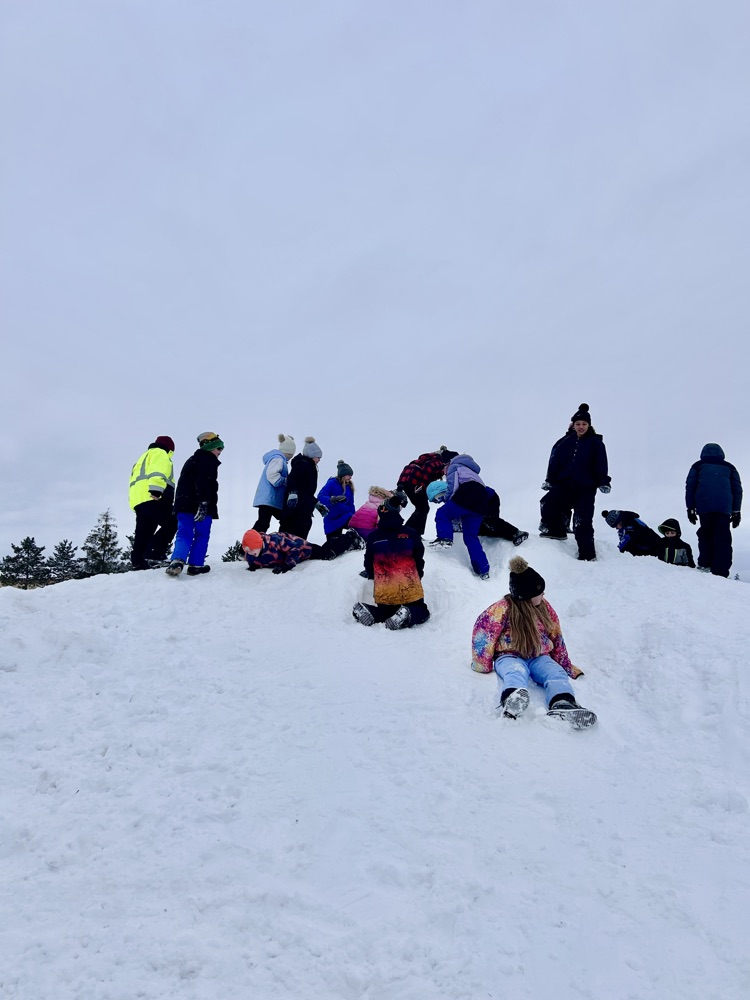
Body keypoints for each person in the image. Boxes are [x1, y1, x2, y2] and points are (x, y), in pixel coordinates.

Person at [470, 556, 596, 728]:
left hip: (539, 655)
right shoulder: (502, 608)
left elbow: (556, 636)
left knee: (555, 673)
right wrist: (481, 664)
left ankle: (562, 702)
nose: (543, 594)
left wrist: (565, 665)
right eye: (540, 592)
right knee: (515, 672)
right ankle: (512, 700)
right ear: (527, 595)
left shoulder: (545, 607)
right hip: (509, 655)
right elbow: (483, 632)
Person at [539, 402, 611, 561]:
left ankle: (587, 555)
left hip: (585, 487)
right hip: (565, 484)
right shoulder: (565, 442)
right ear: (573, 425)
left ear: (589, 425)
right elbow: (554, 462)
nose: (581, 426)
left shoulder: (595, 443)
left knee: (582, 521)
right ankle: (556, 530)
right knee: (548, 502)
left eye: (584, 424)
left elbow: (601, 463)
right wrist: (550, 480)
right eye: (578, 423)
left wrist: (603, 481)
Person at [352, 494, 430, 630]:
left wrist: (373, 576)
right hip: (409, 586)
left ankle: (373, 612)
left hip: (385, 589)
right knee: (422, 610)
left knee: (386, 611)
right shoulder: (411, 534)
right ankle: (408, 613)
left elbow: (368, 562)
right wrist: (418, 575)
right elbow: (419, 558)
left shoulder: (373, 537)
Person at [166, 432, 224, 577]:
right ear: (210, 447)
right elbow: (203, 482)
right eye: (219, 448)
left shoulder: (192, 460)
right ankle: (196, 564)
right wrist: (204, 503)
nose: (220, 452)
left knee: (184, 532)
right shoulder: (208, 461)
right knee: (202, 534)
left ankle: (178, 561)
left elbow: (184, 484)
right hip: (201, 505)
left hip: (184, 503)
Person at [429, 454, 491, 579]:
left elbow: (452, 486)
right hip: (480, 501)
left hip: (468, 492)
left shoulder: (454, 467)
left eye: (443, 469)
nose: (443, 472)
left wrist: (446, 500)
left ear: (447, 463)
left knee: (442, 513)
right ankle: (482, 569)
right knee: (470, 536)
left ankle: (445, 538)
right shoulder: (470, 470)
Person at [685, 443, 743, 577]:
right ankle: (721, 570)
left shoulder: (698, 466)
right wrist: (736, 511)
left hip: (704, 505)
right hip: (724, 507)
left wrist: (690, 508)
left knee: (705, 534)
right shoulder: (730, 467)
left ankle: (705, 564)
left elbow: (690, 487)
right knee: (722, 537)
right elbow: (737, 490)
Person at [128, 435, 177, 570]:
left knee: (144, 531)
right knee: (173, 521)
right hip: (154, 497)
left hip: (139, 500)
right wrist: (156, 490)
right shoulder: (160, 453)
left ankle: (138, 561)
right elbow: (158, 472)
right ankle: (154, 554)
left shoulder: (143, 457)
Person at [428, 482, 529, 546]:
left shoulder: (456, 492)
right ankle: (497, 533)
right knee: (480, 526)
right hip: (477, 503)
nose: (439, 501)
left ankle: (515, 533)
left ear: (443, 491)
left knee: (489, 519)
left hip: (489, 499)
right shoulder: (451, 499)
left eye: (437, 498)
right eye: (435, 501)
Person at [241, 526, 364, 573]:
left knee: (327, 554)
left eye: (251, 550)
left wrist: (288, 565)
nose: (250, 554)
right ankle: (334, 540)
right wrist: (254, 565)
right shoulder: (251, 556)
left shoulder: (275, 541)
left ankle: (350, 538)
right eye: (247, 551)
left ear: (259, 544)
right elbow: (252, 559)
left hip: (303, 548)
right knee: (326, 548)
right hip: (295, 551)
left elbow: (294, 548)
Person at [396, 445, 458, 535]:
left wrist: (400, 484)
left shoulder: (423, 459)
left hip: (407, 483)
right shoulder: (438, 462)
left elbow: (408, 469)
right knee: (423, 508)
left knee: (421, 508)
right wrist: (422, 485)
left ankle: (413, 532)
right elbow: (428, 468)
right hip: (416, 483)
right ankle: (410, 532)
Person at [278, 436, 326, 540]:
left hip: (302, 509)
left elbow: (305, 492)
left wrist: (316, 503)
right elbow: (293, 479)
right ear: (312, 455)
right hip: (295, 511)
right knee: (289, 538)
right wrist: (292, 493)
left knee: (299, 537)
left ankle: (298, 552)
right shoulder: (302, 464)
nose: (319, 460)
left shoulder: (309, 466)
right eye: (318, 457)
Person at [252, 434, 296, 532]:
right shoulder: (278, 459)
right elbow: (272, 475)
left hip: (271, 499)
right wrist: (285, 481)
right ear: (289, 452)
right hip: (269, 498)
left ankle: (279, 540)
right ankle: (248, 544)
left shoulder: (279, 459)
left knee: (278, 520)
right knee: (263, 523)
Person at [316, 460, 356, 539]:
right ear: (342, 475)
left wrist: (354, 517)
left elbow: (351, 504)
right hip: (332, 520)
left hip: (345, 517)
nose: (351, 477)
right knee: (332, 545)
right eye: (348, 475)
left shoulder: (349, 487)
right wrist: (333, 499)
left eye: (351, 475)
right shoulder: (332, 483)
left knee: (358, 528)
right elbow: (320, 497)